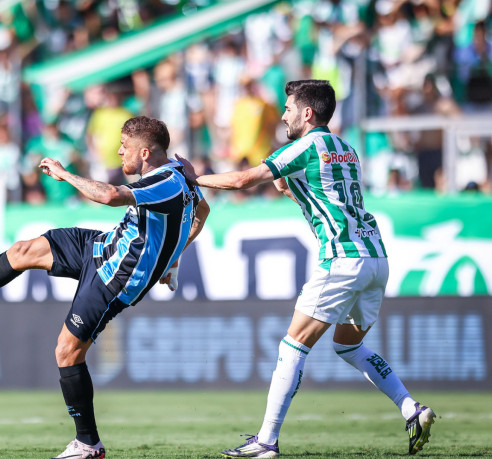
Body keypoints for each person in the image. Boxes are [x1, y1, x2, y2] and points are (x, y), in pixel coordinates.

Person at [0, 116, 210, 459]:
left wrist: (65, 174)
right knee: (22, 251)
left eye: (125, 147)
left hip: (118, 276)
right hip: (104, 246)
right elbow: (202, 210)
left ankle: (88, 444)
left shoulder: (166, 181)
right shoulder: (178, 171)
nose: (119, 152)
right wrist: (173, 258)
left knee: (67, 352)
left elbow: (110, 195)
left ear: (145, 153)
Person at [175, 80, 435, 458]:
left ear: (307, 113)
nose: (284, 115)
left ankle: (266, 441)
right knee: (349, 346)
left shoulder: (305, 147)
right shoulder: (346, 149)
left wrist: (193, 177)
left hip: (342, 259)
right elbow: (308, 191)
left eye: (288, 108)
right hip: (376, 258)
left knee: (292, 345)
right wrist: (284, 181)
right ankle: (411, 408)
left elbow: (243, 180)